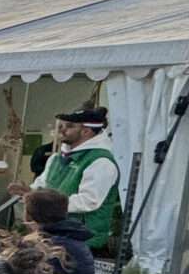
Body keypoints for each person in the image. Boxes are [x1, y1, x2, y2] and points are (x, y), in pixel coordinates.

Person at [16, 107, 119, 253]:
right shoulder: (56, 158)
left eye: (70, 126)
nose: (62, 130)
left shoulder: (101, 161)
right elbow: (41, 187)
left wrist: (45, 203)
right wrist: (28, 192)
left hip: (83, 240)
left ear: (86, 131)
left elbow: (89, 201)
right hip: (52, 236)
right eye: (62, 125)